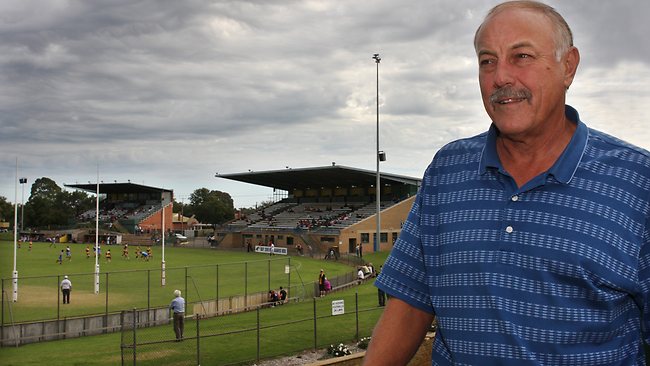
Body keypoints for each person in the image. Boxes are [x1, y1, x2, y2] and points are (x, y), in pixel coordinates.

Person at [365, 2, 650, 365]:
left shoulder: (637, 180)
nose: (500, 77)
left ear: (568, 66)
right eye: (487, 61)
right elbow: (410, 301)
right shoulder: (446, 170)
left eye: (522, 56)